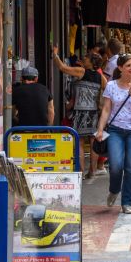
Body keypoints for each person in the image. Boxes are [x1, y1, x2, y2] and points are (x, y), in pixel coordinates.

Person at [95, 54, 131, 214]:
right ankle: (114, 190)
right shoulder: (111, 86)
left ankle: (127, 203)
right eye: (128, 65)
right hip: (115, 130)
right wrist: (100, 129)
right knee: (116, 165)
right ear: (120, 68)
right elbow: (106, 109)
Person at [51, 47, 106, 178]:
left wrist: (55, 54)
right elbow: (108, 92)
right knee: (94, 142)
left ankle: (81, 171)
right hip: (94, 113)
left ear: (91, 62)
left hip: (80, 112)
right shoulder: (101, 77)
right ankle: (92, 171)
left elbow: (63, 68)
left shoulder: (81, 72)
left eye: (86, 58)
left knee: (80, 142)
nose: (83, 59)